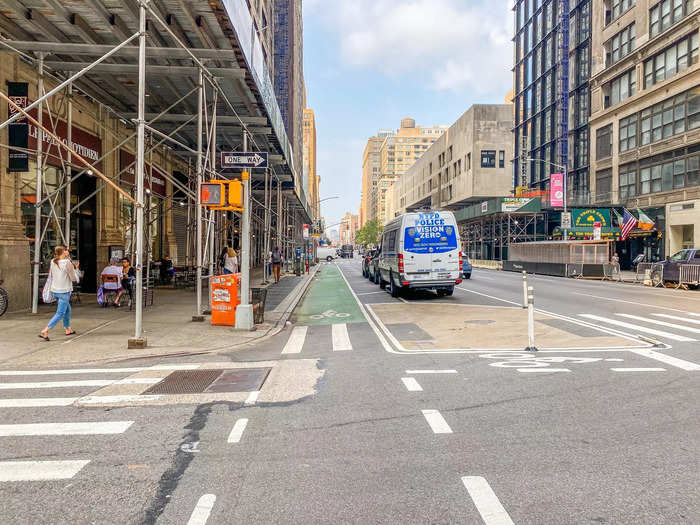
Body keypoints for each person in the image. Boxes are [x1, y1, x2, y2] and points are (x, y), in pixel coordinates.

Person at [39, 245, 80, 341]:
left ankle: (68, 329)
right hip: (64, 291)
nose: (68, 251)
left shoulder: (53, 261)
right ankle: (45, 330)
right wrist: (76, 269)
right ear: (64, 252)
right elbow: (73, 278)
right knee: (60, 313)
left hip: (55, 290)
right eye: (67, 250)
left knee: (67, 309)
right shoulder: (67, 263)